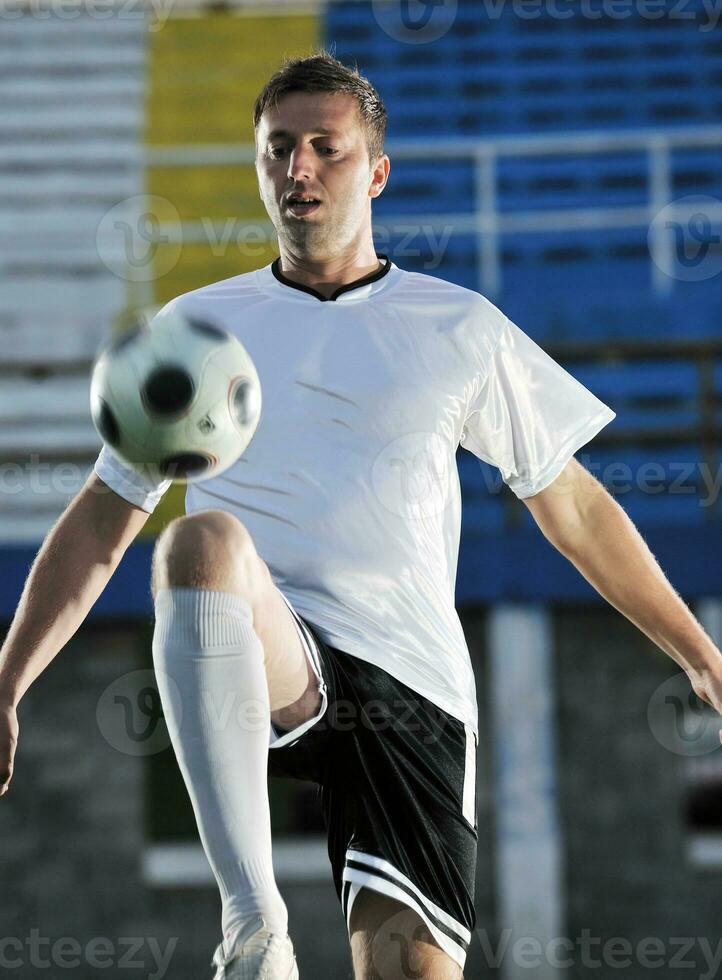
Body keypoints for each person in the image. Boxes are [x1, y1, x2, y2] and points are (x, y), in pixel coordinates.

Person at [3, 51, 722, 980]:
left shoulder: (456, 325)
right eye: (278, 150)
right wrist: (8, 679)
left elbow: (574, 507)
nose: (299, 169)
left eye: (324, 149)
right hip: (270, 652)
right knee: (202, 541)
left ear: (375, 172)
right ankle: (253, 930)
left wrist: (700, 655)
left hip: (413, 694)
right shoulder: (196, 336)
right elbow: (105, 519)